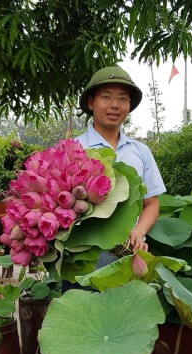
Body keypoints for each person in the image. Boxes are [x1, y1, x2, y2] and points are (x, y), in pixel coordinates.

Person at [76, 65, 166, 253]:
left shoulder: (141, 151)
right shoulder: (73, 149)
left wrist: (139, 231)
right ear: (91, 102)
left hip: (129, 252)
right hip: (81, 254)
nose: (115, 105)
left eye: (123, 98)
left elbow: (151, 203)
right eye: (106, 96)